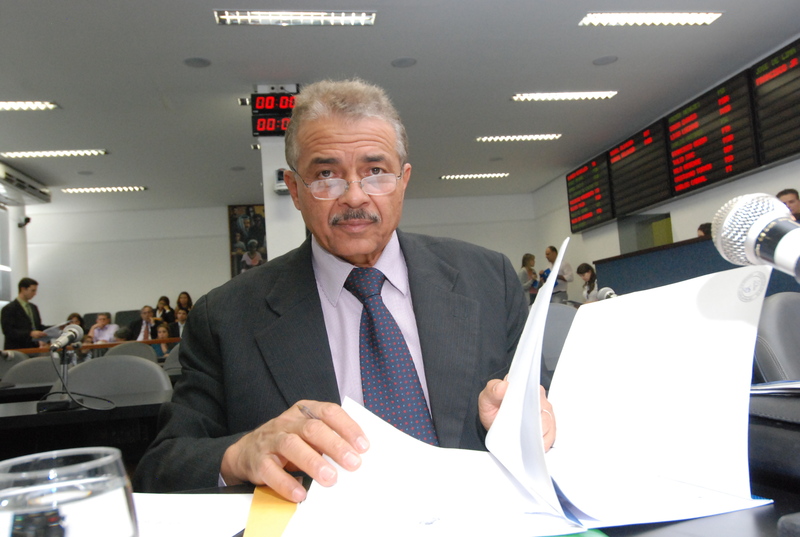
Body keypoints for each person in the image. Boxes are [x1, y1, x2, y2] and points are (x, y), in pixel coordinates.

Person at [133, 78, 555, 501]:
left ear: (403, 180)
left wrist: (536, 423)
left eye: (375, 172)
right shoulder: (225, 317)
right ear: (295, 190)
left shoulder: (488, 280)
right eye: (326, 175)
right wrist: (237, 456)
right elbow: (161, 468)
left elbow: (551, 409)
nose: (355, 197)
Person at [1, 278, 48, 350]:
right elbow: (8, 331)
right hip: (17, 349)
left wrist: (56, 328)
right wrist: (30, 333)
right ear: (23, 289)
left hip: (33, 348)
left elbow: (37, 327)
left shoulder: (33, 307)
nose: (35, 294)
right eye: (33, 290)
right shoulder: (9, 308)